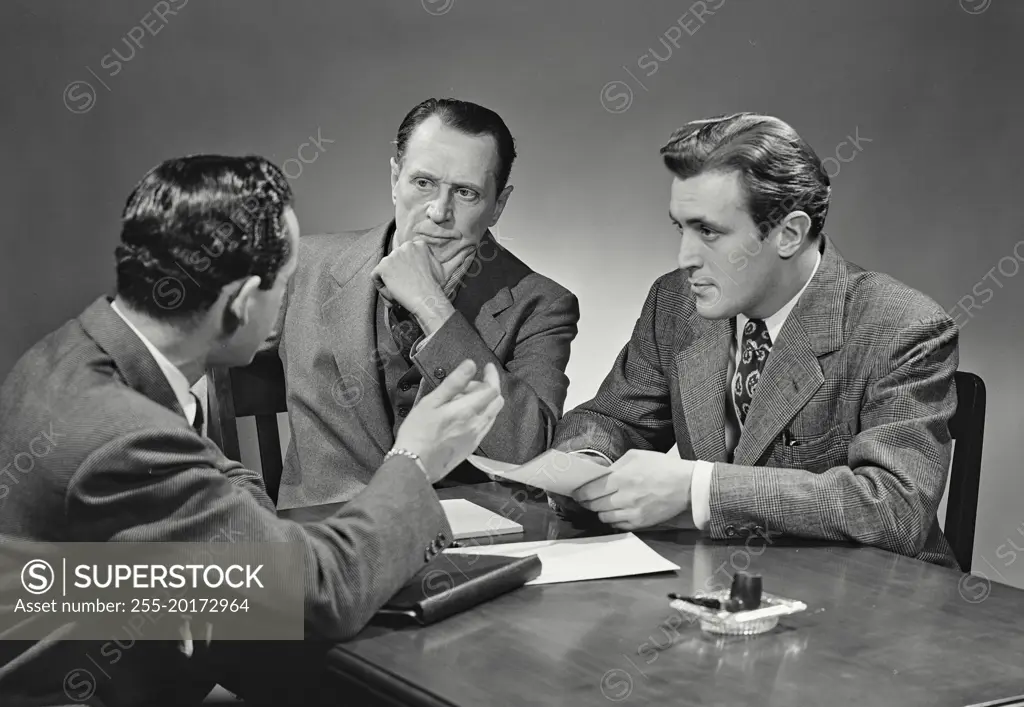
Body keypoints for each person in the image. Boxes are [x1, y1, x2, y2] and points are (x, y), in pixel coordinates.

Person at [0, 155, 504, 706]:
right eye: (283, 283)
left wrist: (236, 551)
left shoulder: (72, 352)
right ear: (241, 303)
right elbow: (318, 593)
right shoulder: (125, 435)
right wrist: (414, 458)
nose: (289, 297)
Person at [552, 112, 960, 568]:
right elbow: (614, 419)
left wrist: (699, 487)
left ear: (789, 234)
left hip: (873, 609)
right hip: (724, 590)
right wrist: (586, 464)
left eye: (708, 231)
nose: (685, 257)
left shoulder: (902, 326)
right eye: (680, 228)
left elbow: (895, 507)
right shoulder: (675, 303)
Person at [267, 97, 580, 509]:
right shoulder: (303, 266)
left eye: (466, 193)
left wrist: (433, 307)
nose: (438, 211)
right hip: (321, 542)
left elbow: (527, 453)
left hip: (458, 550)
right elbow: (196, 365)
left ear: (498, 205)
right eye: (423, 183)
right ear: (395, 178)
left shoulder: (542, 304)